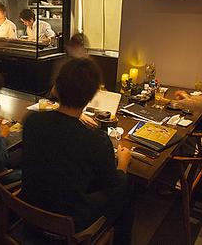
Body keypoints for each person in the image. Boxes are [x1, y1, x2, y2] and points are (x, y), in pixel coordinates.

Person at [20, 58, 134, 244]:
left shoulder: (32, 120)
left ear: (56, 87)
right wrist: (122, 162)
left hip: (28, 213)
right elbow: (112, 186)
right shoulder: (96, 140)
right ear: (91, 96)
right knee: (126, 188)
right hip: (69, 225)